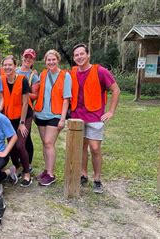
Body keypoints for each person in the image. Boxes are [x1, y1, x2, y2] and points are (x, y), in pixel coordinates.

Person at [70, 43, 120, 194]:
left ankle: (97, 178)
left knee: (95, 148)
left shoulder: (100, 71)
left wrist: (111, 111)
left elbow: (116, 89)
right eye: (76, 55)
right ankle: (83, 174)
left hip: (94, 117)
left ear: (88, 55)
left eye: (81, 54)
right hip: (77, 117)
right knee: (82, 148)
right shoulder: (72, 72)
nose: (79, 57)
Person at [34, 49, 71, 186]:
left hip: (55, 115)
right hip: (41, 114)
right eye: (48, 60)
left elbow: (66, 99)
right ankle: (46, 169)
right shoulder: (43, 74)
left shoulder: (65, 76)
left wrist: (62, 119)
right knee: (45, 143)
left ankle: (51, 174)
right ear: (45, 61)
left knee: (49, 143)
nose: (51, 62)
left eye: (53, 59)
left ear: (58, 60)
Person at [1, 56, 33, 187]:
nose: (8, 67)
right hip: (9, 117)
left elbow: (25, 103)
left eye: (10, 65)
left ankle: (26, 173)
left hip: (24, 116)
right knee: (12, 146)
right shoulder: (1, 80)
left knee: (20, 144)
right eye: (5, 65)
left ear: (15, 66)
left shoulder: (22, 80)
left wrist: (22, 122)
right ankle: (17, 166)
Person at [16, 48, 40, 175]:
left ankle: (28, 163)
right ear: (22, 57)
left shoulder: (33, 76)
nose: (27, 59)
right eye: (26, 56)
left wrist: (23, 91)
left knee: (25, 136)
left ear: (33, 60)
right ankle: (18, 162)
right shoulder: (14, 71)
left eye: (30, 57)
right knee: (15, 136)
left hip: (27, 109)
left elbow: (35, 96)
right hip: (14, 108)